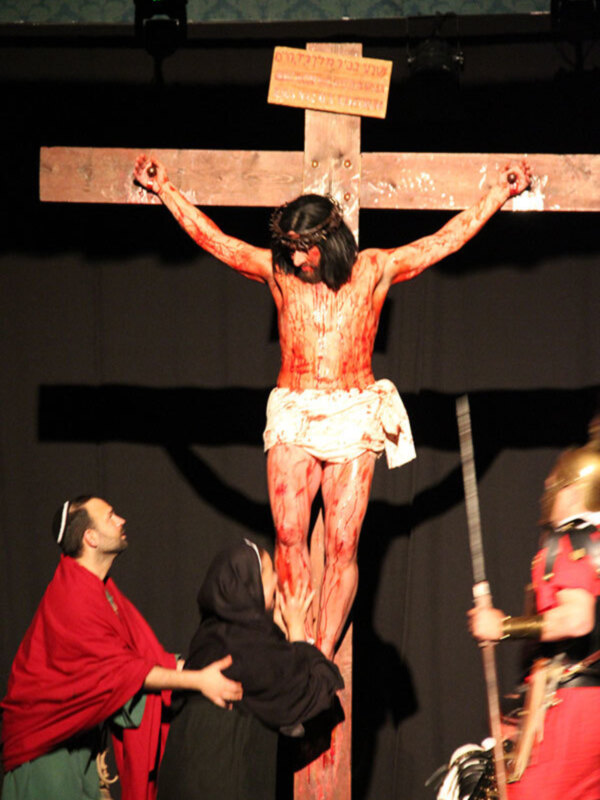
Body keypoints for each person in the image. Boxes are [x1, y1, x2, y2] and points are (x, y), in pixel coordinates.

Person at [133, 154, 532, 659]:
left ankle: (317, 661)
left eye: (305, 251)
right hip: (295, 411)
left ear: (329, 241)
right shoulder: (280, 274)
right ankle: (298, 648)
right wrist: (165, 189)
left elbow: (440, 244)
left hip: (353, 412)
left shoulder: (373, 270)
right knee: (289, 534)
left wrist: (497, 194)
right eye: (292, 251)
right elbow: (222, 245)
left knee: (343, 547)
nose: (297, 261)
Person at [0, 495, 243, 800]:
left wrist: (203, 667)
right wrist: (198, 680)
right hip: (44, 750)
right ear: (91, 538)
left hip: (78, 741)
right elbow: (125, 672)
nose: (121, 520)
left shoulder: (100, 589)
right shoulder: (72, 597)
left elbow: (142, 658)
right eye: (111, 516)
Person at [468, 422, 600, 800]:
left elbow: (577, 619)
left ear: (575, 492)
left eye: (555, 484)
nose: (547, 490)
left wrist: (502, 626)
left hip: (574, 706)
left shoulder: (570, 538)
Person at [156, 538, 344, 800]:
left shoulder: (208, 638)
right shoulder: (250, 647)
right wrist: (297, 631)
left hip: (179, 781)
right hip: (221, 783)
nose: (277, 580)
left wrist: (278, 633)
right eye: (268, 572)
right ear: (250, 585)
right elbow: (312, 690)